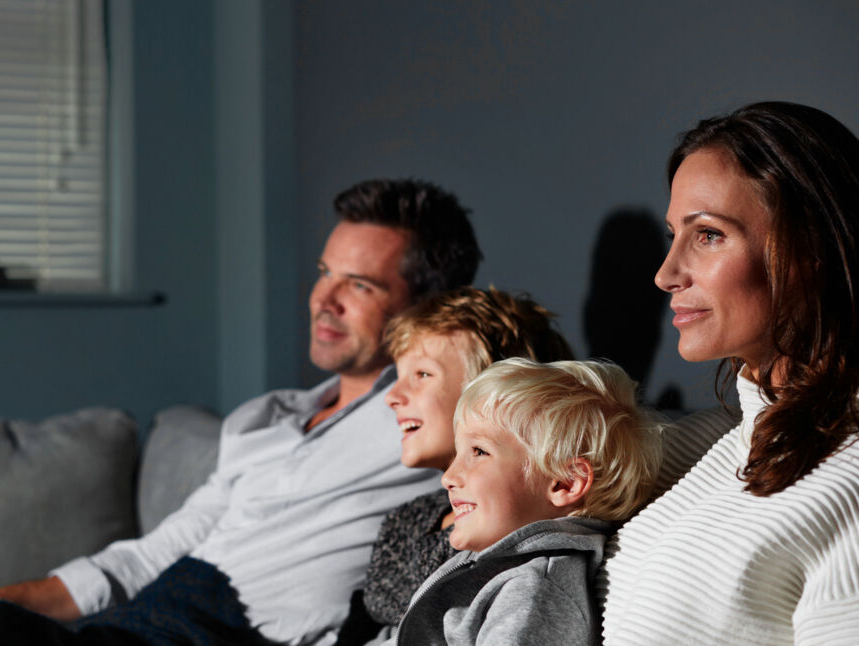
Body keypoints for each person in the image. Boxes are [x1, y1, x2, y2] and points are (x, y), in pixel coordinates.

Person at [0, 178, 483, 646]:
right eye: (323, 271)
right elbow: (153, 553)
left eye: (358, 284)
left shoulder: (433, 412)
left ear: (429, 307)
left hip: (230, 633)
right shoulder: (264, 419)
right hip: (146, 620)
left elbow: (539, 397)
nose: (322, 299)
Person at [599, 101, 859, 644]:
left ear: (812, 247)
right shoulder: (702, 444)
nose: (666, 274)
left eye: (709, 234)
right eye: (674, 234)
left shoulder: (849, 485)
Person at [335, 286, 574, 645]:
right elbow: (363, 619)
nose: (391, 396)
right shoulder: (407, 518)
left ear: (496, 390)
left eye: (422, 375)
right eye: (399, 375)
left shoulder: (505, 522)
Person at [385, 358, 663, 645]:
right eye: (458, 453)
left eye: (479, 451)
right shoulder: (498, 566)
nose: (449, 477)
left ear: (565, 482)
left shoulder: (535, 590)